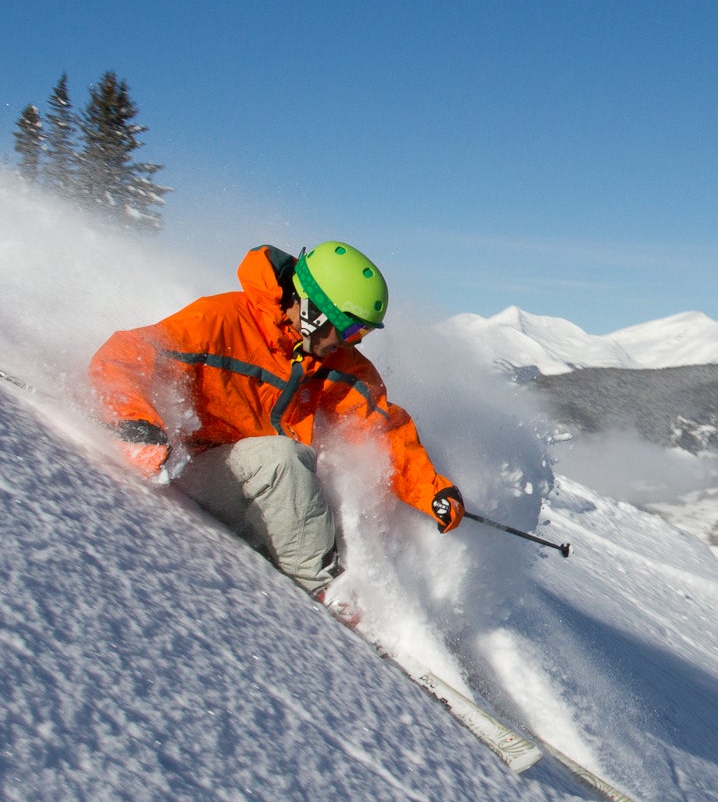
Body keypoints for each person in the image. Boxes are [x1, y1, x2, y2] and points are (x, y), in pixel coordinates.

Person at [89, 241, 464, 611]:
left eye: (362, 335)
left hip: (260, 484)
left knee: (327, 478)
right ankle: (326, 594)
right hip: (193, 467)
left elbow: (377, 431)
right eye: (349, 330)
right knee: (285, 459)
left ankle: (365, 588)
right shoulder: (222, 321)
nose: (352, 343)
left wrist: (432, 491)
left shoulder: (335, 362)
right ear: (315, 310)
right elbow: (125, 356)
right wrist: (136, 422)